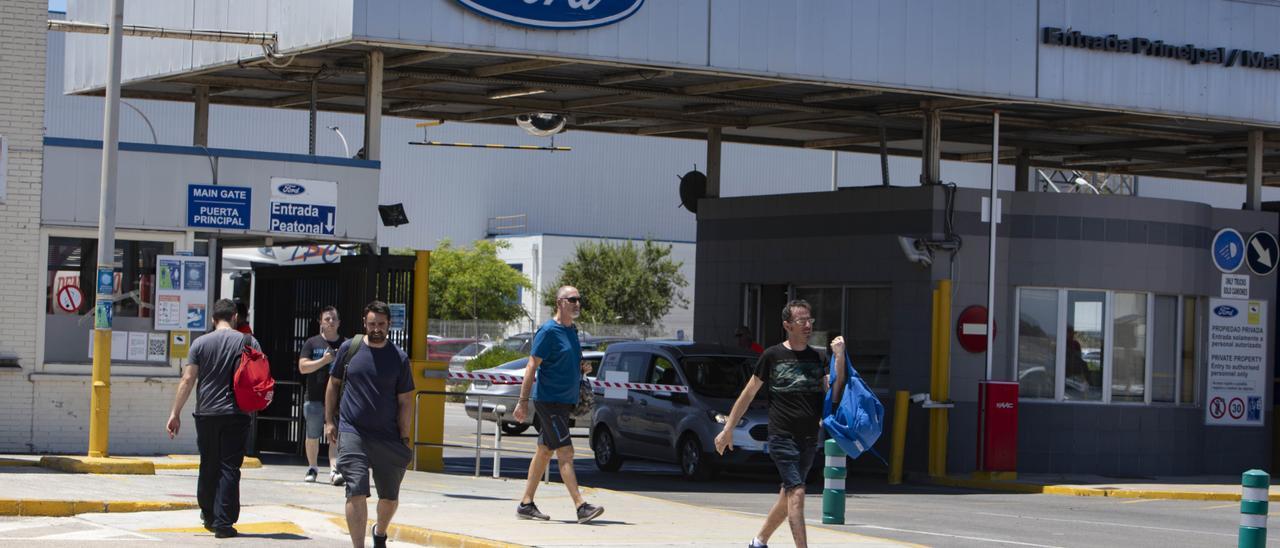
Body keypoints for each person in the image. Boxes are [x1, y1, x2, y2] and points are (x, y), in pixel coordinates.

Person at [715, 300, 845, 548]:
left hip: (808, 439)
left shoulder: (818, 357)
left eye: (810, 320)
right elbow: (749, 392)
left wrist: (839, 358)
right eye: (801, 321)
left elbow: (834, 392)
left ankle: (759, 540)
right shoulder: (772, 356)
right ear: (787, 325)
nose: (808, 325)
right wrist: (728, 428)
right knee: (797, 493)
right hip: (781, 437)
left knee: (787, 495)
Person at [165, 298, 260, 539]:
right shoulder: (248, 341)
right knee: (230, 466)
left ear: (213, 319)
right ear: (235, 317)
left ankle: (208, 514)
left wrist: (175, 413)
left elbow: (188, 380)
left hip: (206, 413)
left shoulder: (200, 344)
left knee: (209, 464)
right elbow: (259, 376)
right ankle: (224, 523)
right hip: (237, 413)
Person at [326, 301, 415, 548]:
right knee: (356, 490)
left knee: (389, 497)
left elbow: (406, 400)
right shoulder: (349, 349)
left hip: (388, 436)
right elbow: (333, 385)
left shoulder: (399, 358)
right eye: (372, 324)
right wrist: (329, 422)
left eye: (381, 324)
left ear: (389, 325)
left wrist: (405, 436)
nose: (376, 329)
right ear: (364, 323)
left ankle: (380, 531)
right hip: (352, 430)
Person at [512, 286, 604, 524]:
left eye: (579, 300)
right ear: (560, 302)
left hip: (564, 402)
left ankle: (526, 504)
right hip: (548, 401)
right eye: (572, 299)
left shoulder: (572, 330)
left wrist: (582, 368)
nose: (577, 304)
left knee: (544, 451)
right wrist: (522, 402)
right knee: (566, 452)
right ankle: (581, 506)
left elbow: (569, 360)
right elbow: (532, 365)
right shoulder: (548, 331)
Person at [298, 305, 346, 485]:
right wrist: (324, 361)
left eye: (334, 319)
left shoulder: (345, 344)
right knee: (312, 435)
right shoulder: (312, 343)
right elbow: (303, 367)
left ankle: (334, 470)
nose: (331, 322)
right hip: (315, 397)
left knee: (334, 435)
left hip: (338, 400)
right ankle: (312, 467)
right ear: (321, 322)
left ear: (339, 322)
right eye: (327, 319)